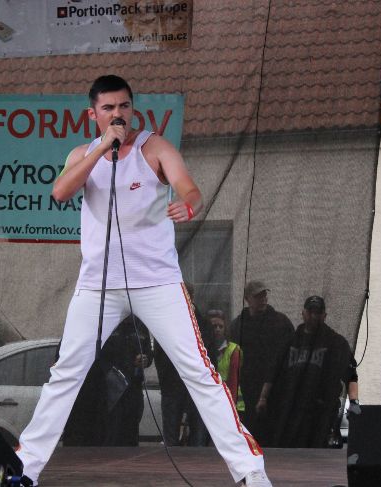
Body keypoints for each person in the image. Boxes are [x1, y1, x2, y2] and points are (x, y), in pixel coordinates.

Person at [15, 75, 270, 487]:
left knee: (199, 371)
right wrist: (102, 148)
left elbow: (190, 189)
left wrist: (188, 205)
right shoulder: (83, 154)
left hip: (157, 282)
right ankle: (24, 470)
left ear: (133, 108)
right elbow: (61, 192)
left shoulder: (155, 147)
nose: (118, 114)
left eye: (124, 106)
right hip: (98, 285)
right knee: (66, 373)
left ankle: (251, 471)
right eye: (108, 108)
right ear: (93, 114)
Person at [263, 296, 358, 448]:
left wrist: (354, 404)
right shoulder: (290, 340)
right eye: (310, 312)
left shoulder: (336, 343)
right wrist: (263, 397)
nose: (314, 316)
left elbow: (351, 375)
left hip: (320, 414)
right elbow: (272, 373)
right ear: (303, 313)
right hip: (290, 411)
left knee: (316, 454)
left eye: (318, 312)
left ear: (324, 315)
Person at [63, 315, 153, 446]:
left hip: (133, 388)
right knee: (111, 433)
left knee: (130, 431)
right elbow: (102, 356)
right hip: (111, 389)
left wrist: (145, 359)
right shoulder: (110, 321)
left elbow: (149, 354)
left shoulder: (141, 325)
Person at [228, 280, 294, 446]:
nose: (263, 298)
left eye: (264, 294)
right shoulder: (238, 325)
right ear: (247, 299)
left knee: (273, 433)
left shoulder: (281, 322)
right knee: (249, 434)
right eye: (258, 296)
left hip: (276, 390)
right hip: (247, 390)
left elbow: (290, 355)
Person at [155, 283, 215, 447]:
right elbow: (160, 355)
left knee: (198, 435)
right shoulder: (166, 323)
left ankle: (196, 460)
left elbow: (210, 356)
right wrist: (166, 382)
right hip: (173, 387)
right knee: (171, 436)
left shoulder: (204, 324)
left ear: (191, 297)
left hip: (197, 387)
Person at [210, 309, 245, 415]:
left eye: (221, 326)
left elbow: (234, 381)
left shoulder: (233, 350)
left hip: (232, 405)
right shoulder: (203, 349)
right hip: (212, 403)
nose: (217, 329)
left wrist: (231, 409)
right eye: (214, 326)